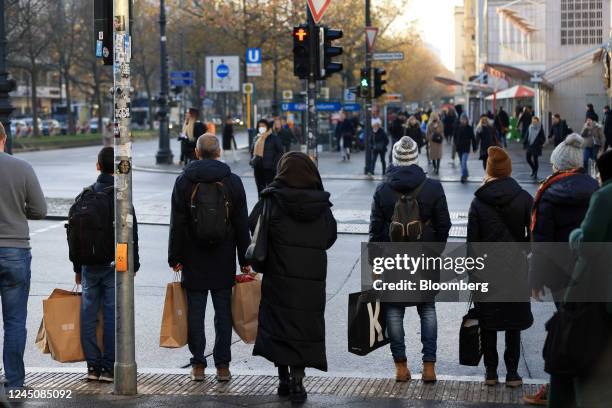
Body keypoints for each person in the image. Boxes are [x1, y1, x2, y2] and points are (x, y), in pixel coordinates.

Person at [249, 152, 337, 403]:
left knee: (279, 326)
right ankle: (298, 380)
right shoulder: (320, 204)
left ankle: (283, 379)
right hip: (311, 282)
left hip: (279, 277)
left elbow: (253, 224)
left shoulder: (271, 199)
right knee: (303, 328)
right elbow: (329, 236)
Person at [168, 134, 251, 383]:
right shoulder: (233, 182)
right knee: (223, 313)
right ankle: (223, 366)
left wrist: (175, 257)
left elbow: (177, 224)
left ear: (196, 152)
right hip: (223, 256)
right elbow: (241, 224)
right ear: (218, 152)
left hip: (194, 257)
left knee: (196, 312)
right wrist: (244, 257)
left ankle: (198, 365)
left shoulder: (184, 182)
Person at [369, 136, 451, 384]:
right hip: (425, 258)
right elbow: (444, 224)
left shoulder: (383, 189)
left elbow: (375, 232)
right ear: (416, 158)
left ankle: (401, 368)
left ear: (395, 159)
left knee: (394, 311)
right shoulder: (433, 188)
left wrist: (377, 265)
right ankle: (429, 368)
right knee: (427, 308)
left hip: (393, 261)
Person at [524, 134, 598, 406]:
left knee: (566, 333)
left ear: (558, 165)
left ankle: (561, 390)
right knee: (589, 330)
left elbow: (542, 243)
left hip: (560, 275)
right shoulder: (595, 188)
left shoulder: (549, 192)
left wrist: (535, 279)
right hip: (592, 274)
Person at [545, 150, 612, 408]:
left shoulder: (605, 196)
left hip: (593, 294)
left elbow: (587, 243)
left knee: (568, 355)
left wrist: (574, 236)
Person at [69, 147, 141, 383]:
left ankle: (92, 366)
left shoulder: (84, 195)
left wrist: (77, 269)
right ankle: (110, 367)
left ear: (98, 166)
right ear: (119, 167)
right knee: (112, 314)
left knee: (89, 314)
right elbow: (132, 232)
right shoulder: (121, 196)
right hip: (115, 264)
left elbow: (74, 237)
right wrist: (134, 265)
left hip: (89, 266)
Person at [467, 146, 534, 388]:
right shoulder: (525, 198)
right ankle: (513, 373)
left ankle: (491, 373)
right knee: (513, 323)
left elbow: (471, 245)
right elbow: (535, 233)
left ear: (489, 171)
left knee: (488, 322)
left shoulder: (478, 202)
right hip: (516, 269)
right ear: (508, 170)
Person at [0, 123, 46, 389]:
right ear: (4, 139)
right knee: (15, 321)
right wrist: (18, 210)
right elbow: (40, 209)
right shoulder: (22, 168)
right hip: (15, 251)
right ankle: (15, 381)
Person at [251, 119, 283, 194]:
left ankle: (270, 205)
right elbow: (252, 152)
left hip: (269, 169)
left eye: (263, 126)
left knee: (270, 189)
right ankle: (261, 204)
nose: (261, 128)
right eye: (259, 126)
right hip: (258, 167)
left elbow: (280, 152)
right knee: (260, 189)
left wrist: (274, 164)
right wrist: (252, 162)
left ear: (267, 127)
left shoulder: (273, 138)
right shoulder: (256, 138)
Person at [454, 113, 476, 183]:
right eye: (462, 119)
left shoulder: (469, 128)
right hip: (459, 148)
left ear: (467, 120)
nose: (463, 121)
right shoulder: (458, 127)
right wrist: (455, 143)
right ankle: (466, 174)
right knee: (462, 163)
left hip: (466, 148)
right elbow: (454, 136)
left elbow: (473, 138)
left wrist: (474, 147)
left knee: (463, 162)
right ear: (460, 120)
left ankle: (463, 176)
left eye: (465, 119)